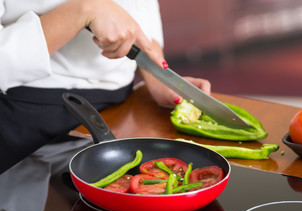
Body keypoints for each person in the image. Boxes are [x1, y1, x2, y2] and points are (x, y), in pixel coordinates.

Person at [0, 0, 211, 174]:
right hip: (26, 119)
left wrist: (157, 75)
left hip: (121, 109)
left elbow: (140, 6)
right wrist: (82, 11)